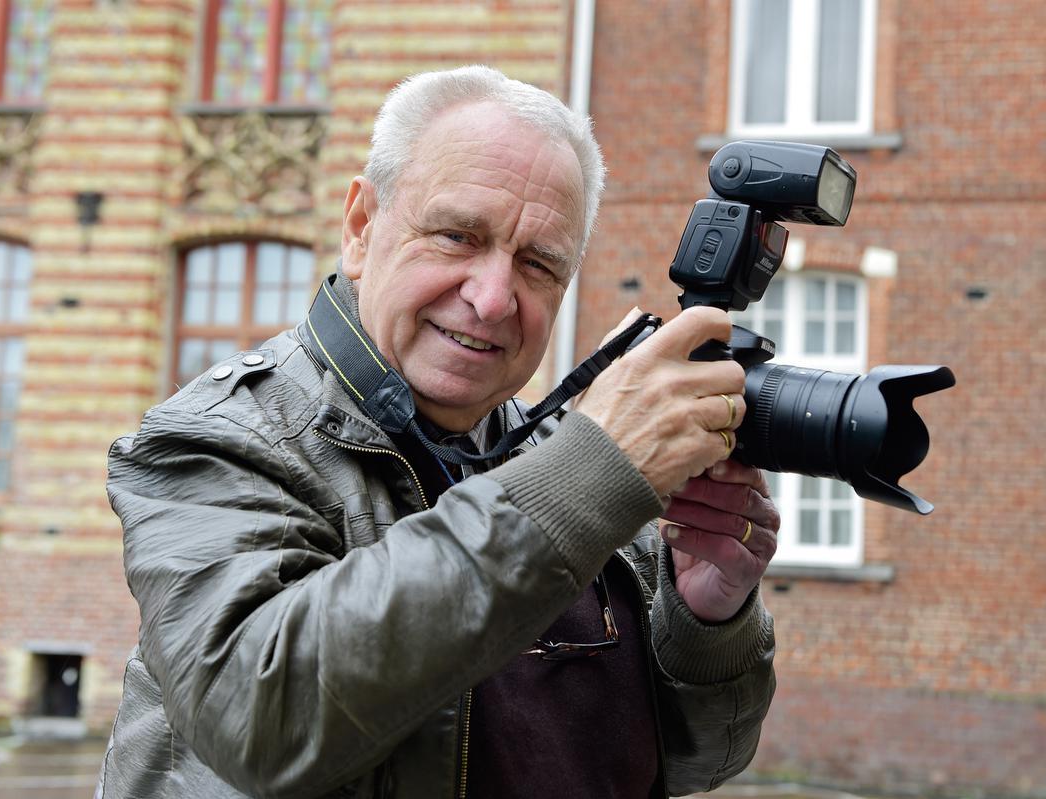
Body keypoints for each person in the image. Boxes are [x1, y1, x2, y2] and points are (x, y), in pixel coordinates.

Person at [96, 65, 780, 799]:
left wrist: (709, 616)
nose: (491, 298)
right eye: (457, 236)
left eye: (538, 264)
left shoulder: (570, 461)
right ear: (361, 228)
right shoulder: (216, 439)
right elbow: (262, 717)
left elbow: (697, 760)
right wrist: (589, 476)